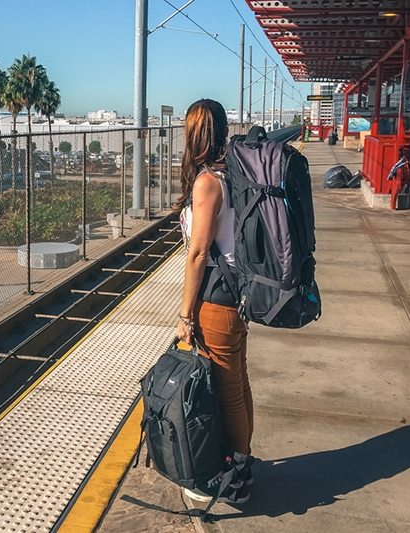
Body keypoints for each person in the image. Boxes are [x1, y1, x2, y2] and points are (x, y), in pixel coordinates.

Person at [175, 99, 254, 504]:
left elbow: (198, 254)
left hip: (215, 301)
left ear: (194, 135)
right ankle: (241, 462)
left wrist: (185, 315)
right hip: (235, 297)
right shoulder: (234, 173)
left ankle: (235, 474)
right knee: (237, 384)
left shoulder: (207, 182)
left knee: (226, 392)